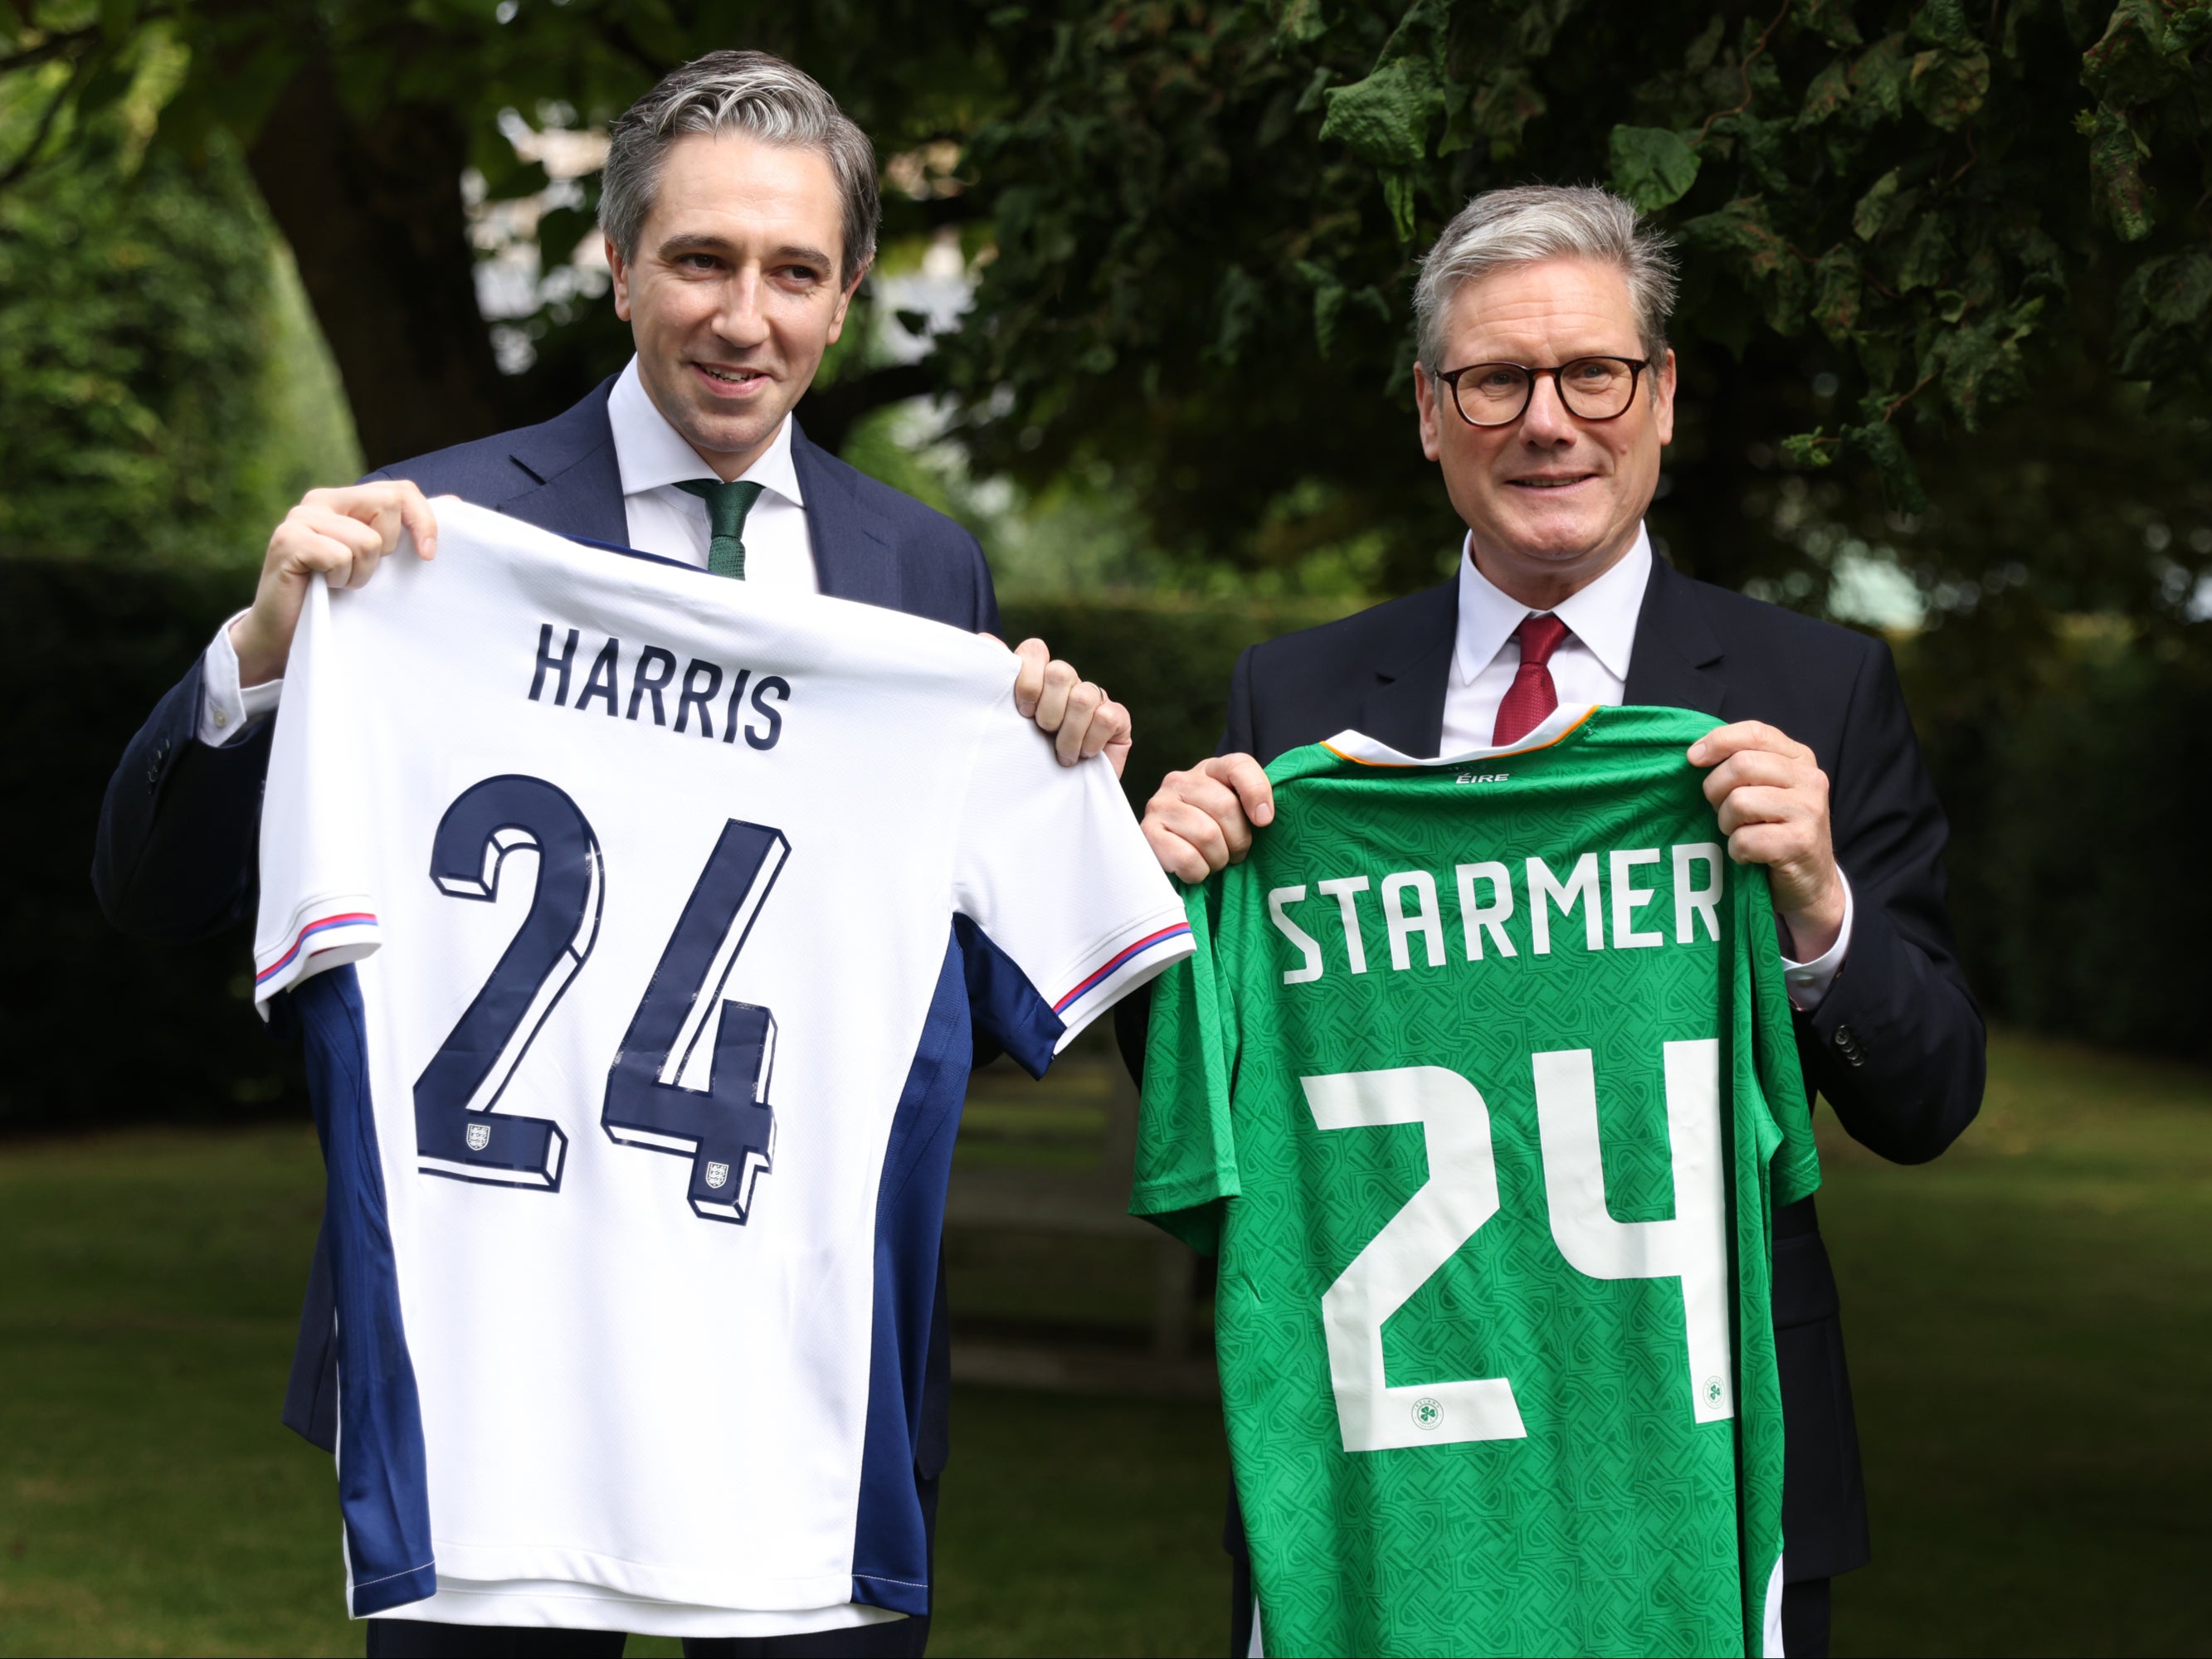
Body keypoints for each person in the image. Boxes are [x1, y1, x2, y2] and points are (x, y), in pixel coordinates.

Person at [93, 50, 1130, 1659]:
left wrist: (1075, 780)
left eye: (794, 271)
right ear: (616, 260)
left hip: (802, 1367)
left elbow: (973, 1001)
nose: (744, 317)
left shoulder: (922, 577)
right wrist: (265, 646)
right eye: (701, 259)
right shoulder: (424, 538)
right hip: (489, 1356)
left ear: (849, 294)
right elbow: (157, 891)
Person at [1123, 185, 1985, 1659]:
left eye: (1591, 372)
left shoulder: (1810, 689)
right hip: (1378, 1468)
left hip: (1711, 1474)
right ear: (1425, 408)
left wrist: (1817, 906)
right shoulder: (1299, 698)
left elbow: (1926, 1097)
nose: (1545, 421)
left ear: (1658, 397)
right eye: (1493, 379)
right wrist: (1162, 924)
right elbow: (1224, 1092)